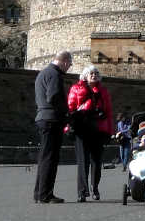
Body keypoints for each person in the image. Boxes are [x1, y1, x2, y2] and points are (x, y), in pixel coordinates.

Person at [67, 64, 114, 201]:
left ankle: (95, 187)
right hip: (81, 128)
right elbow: (70, 108)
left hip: (98, 128)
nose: (94, 75)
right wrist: (68, 126)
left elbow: (109, 111)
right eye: (91, 73)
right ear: (85, 75)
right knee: (83, 161)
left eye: (96, 73)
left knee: (97, 161)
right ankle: (82, 192)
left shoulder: (103, 91)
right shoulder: (76, 88)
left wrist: (110, 130)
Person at [33, 50, 73, 203]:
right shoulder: (55, 75)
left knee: (44, 157)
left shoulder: (43, 73)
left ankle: (39, 193)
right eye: (69, 64)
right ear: (64, 61)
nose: (69, 67)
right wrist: (66, 113)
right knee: (50, 158)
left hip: (43, 118)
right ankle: (45, 194)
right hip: (52, 119)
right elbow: (54, 97)